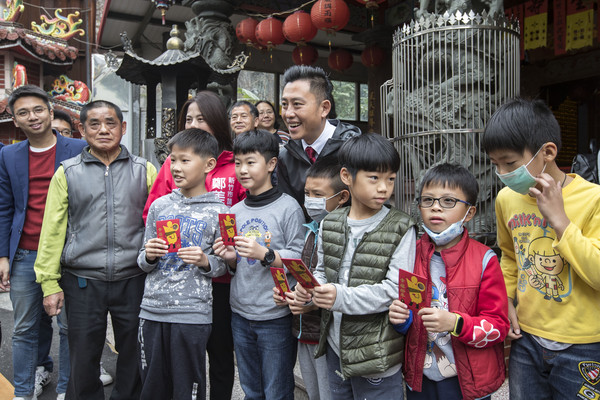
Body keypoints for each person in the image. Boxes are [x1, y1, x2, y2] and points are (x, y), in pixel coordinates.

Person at [34, 100, 157, 400]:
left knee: (133, 352)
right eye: (95, 124)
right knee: (84, 357)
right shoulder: (67, 173)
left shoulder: (145, 170)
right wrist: (49, 283)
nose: (104, 129)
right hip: (82, 280)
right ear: (82, 129)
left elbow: (156, 223)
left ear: (123, 127)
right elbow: (52, 232)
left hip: (134, 277)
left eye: (111, 123)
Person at [482, 98, 600, 399]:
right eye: (496, 165)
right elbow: (509, 256)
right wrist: (506, 298)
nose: (503, 173)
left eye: (510, 163)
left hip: (584, 344)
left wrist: (560, 220)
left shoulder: (593, 200)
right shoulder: (506, 200)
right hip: (527, 340)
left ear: (547, 152)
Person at [294, 133, 416, 400]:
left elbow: (394, 291)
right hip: (336, 349)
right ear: (347, 176)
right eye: (374, 178)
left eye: (391, 179)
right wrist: (311, 292)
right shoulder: (331, 222)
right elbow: (322, 270)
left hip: (376, 356)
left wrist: (338, 296)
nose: (384, 187)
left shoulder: (401, 228)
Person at [143, 90, 244, 400]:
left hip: (221, 282)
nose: (195, 124)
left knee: (218, 354)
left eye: (202, 118)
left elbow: (236, 228)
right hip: (172, 284)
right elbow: (152, 214)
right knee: (167, 366)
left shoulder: (234, 168)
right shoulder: (170, 171)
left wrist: (220, 259)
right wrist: (152, 251)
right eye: (189, 118)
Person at [390, 163, 509, 400]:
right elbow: (408, 313)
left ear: (470, 213)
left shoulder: (485, 259)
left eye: (448, 201)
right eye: (428, 200)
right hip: (420, 378)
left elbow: (498, 326)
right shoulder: (409, 254)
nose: (436, 207)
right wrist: (400, 320)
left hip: (467, 382)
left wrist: (455, 323)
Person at [0, 85, 86, 400]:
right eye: (23, 112)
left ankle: (67, 389)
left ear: (50, 112)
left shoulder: (78, 148)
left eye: (38, 110)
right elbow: (5, 207)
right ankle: (23, 392)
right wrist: (2, 257)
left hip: (69, 254)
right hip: (24, 254)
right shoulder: (8, 155)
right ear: (14, 120)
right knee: (24, 328)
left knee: (68, 327)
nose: (32, 117)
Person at [213, 129, 305, 400]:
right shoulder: (233, 212)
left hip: (274, 316)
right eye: (238, 163)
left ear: (271, 164)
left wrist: (265, 254)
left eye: (251, 162)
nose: (242, 169)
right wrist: (229, 260)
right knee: (251, 390)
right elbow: (233, 264)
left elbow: (299, 258)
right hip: (240, 313)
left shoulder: (289, 208)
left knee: (277, 391)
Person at [273, 157, 349, 400]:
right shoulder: (311, 230)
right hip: (304, 330)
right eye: (307, 193)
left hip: (326, 336)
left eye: (318, 194)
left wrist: (310, 301)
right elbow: (307, 277)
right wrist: (290, 294)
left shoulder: (342, 232)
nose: (310, 201)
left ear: (342, 197)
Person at [278, 65, 361, 207]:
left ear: (324, 108)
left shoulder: (354, 149)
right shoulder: (285, 157)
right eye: (285, 105)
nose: (288, 114)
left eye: (297, 104)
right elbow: (288, 210)